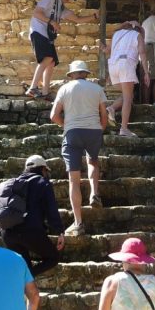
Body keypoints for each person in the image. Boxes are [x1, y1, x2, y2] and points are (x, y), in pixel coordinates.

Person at [50, 60, 108, 236]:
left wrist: (65, 125)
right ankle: (94, 193)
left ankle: (78, 222)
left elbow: (53, 116)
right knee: (93, 161)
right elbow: (104, 114)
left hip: (72, 132)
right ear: (86, 73)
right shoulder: (97, 89)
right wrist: (100, 129)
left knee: (73, 179)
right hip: (93, 130)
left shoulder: (65, 89)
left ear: (72, 74)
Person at [0, 154, 65, 277]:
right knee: (53, 257)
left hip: (8, 233)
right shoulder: (43, 182)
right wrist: (59, 232)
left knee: (24, 266)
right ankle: (26, 278)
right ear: (43, 169)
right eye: (46, 171)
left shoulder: (11, 183)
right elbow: (51, 210)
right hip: (31, 232)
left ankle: (22, 282)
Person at [26, 0, 98, 99]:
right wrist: (52, 22)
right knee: (48, 57)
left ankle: (45, 92)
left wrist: (94, 17)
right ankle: (33, 88)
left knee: (52, 61)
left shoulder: (61, 8)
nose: (69, 0)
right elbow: (36, 13)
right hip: (38, 31)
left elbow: (77, 20)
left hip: (47, 36)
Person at [105, 20, 149, 137]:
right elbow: (143, 54)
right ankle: (124, 128)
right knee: (128, 98)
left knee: (127, 95)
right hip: (126, 64)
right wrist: (146, 72)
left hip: (113, 66)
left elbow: (109, 51)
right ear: (138, 29)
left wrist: (109, 75)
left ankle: (112, 108)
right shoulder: (137, 35)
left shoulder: (116, 34)